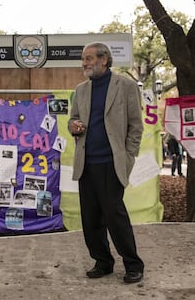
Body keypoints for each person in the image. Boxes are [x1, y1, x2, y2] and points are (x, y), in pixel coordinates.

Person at [68, 42, 145, 284]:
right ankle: (103, 262)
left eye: (89, 58)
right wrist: (74, 127)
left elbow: (136, 126)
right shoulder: (81, 90)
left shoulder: (126, 86)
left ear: (104, 60)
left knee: (115, 216)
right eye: (83, 59)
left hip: (111, 163)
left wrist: (128, 156)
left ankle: (133, 264)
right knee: (90, 218)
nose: (85, 63)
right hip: (86, 164)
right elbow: (74, 120)